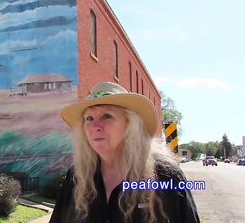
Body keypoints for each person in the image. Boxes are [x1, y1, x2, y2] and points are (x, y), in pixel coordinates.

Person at [50, 82, 200, 223]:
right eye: (89, 118)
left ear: (130, 125)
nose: (95, 126)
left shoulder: (166, 176)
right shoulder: (76, 177)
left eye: (106, 116)